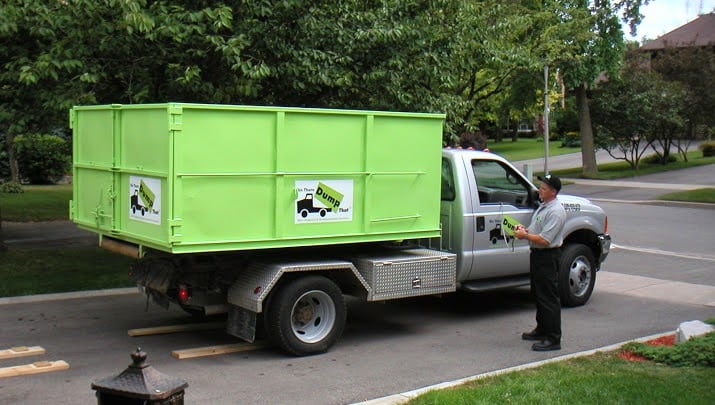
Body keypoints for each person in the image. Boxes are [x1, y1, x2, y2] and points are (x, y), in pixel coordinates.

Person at [514, 174, 566, 351]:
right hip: (537, 255)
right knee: (538, 294)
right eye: (540, 187)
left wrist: (525, 236)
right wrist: (525, 230)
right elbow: (539, 231)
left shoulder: (556, 211)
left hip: (548, 256)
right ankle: (542, 329)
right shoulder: (544, 206)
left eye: (543, 188)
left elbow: (545, 240)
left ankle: (553, 338)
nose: (539, 190)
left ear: (553, 192)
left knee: (548, 298)